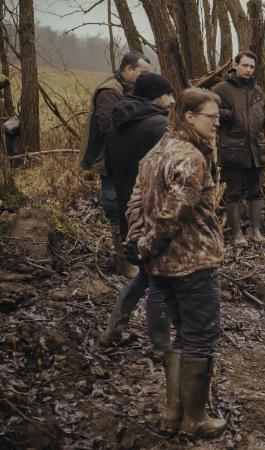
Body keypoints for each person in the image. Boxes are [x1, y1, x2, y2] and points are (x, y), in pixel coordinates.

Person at [125, 87, 226, 437]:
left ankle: (173, 414)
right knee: (200, 337)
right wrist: (149, 243)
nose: (217, 123)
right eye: (211, 116)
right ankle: (195, 420)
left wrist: (137, 241)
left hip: (162, 265)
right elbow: (175, 211)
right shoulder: (189, 158)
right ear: (188, 116)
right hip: (192, 262)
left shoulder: (155, 153)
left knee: (182, 336)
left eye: (218, 117)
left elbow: (136, 202)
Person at [98, 73, 175, 349]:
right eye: (168, 94)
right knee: (157, 276)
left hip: (127, 204)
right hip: (152, 208)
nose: (172, 99)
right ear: (154, 95)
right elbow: (169, 173)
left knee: (144, 273)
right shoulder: (160, 125)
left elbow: (108, 166)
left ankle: (113, 330)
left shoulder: (117, 122)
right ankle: (161, 347)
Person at [79, 52, 152, 276]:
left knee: (131, 204)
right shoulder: (110, 91)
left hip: (125, 158)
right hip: (108, 159)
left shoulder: (132, 90)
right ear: (128, 70)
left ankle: (132, 256)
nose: (146, 77)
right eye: (143, 72)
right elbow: (108, 126)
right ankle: (124, 262)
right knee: (116, 206)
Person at [211, 50, 265, 246]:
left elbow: (264, 110)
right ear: (236, 65)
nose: (248, 70)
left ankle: (256, 232)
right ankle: (237, 235)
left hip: (256, 150)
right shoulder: (221, 88)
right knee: (234, 194)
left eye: (252, 67)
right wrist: (228, 115)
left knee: (256, 192)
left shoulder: (257, 90)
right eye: (245, 65)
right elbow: (209, 110)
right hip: (233, 151)